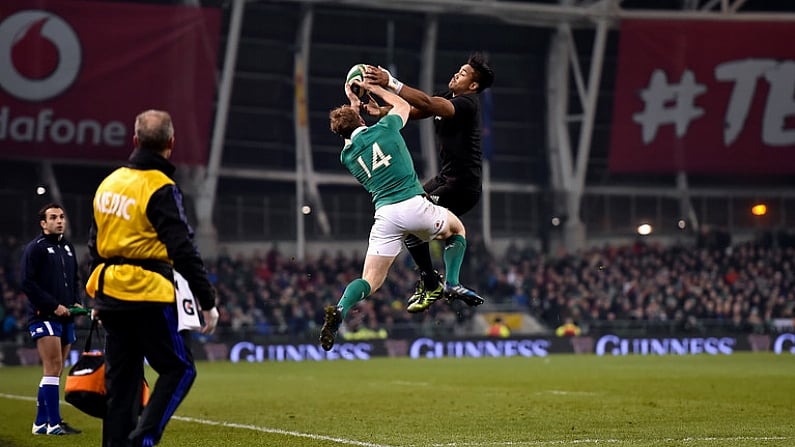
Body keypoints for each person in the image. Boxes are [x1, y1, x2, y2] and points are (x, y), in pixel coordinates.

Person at [85, 109, 219, 447]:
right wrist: (208, 302)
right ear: (171, 143)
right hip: (147, 292)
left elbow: (94, 245)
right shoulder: (161, 187)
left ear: (135, 141)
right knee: (179, 369)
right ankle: (144, 439)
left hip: (110, 292)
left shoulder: (109, 183)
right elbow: (183, 249)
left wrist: (97, 299)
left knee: (122, 385)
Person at [320, 79, 481, 351]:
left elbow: (352, 130)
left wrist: (353, 102)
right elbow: (403, 105)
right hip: (412, 203)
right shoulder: (387, 126)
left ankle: (340, 308)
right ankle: (451, 283)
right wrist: (377, 90)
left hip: (385, 215)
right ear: (360, 119)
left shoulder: (346, 155)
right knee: (457, 229)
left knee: (370, 280)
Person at [364, 52, 495, 309]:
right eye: (459, 69)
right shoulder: (450, 96)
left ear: (473, 85)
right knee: (409, 221)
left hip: (462, 186)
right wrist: (382, 111)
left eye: (464, 73)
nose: (457, 73)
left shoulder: (468, 104)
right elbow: (416, 110)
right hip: (445, 178)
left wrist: (390, 82)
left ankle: (444, 283)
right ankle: (433, 283)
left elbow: (426, 101)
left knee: (414, 221)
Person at [21, 203, 83, 435]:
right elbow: (27, 283)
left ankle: (40, 423)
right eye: (54, 217)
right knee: (53, 366)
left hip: (65, 316)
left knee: (55, 370)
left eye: (62, 217)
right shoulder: (35, 248)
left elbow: (75, 278)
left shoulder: (67, 247)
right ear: (43, 223)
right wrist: (53, 305)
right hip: (43, 315)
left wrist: (76, 300)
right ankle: (54, 423)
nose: (59, 221)